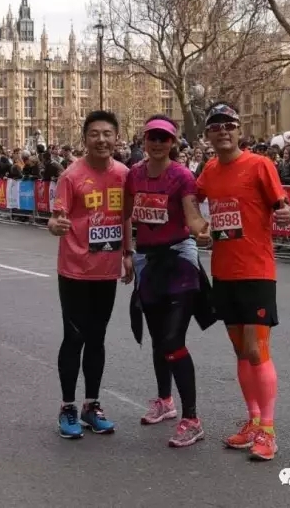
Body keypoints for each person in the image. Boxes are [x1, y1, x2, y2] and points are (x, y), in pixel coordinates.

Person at [196, 103, 290, 462]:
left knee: (256, 351)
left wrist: (286, 212)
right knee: (240, 351)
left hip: (256, 270)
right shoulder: (209, 169)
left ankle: (268, 430)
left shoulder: (259, 165)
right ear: (208, 135)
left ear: (239, 130)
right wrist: (198, 225)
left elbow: (284, 206)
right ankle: (253, 421)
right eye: (216, 126)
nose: (223, 131)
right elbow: (191, 198)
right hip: (223, 271)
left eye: (230, 125)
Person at [124, 115, 211, 448]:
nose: (158, 143)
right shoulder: (133, 175)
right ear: (144, 140)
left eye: (164, 138)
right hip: (147, 261)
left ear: (173, 142)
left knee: (173, 339)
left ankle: (192, 419)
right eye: (153, 137)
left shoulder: (182, 176)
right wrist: (127, 253)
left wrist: (201, 230)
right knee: (159, 338)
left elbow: (192, 215)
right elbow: (126, 214)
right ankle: (165, 401)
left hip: (178, 260)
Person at [48, 110, 133, 440]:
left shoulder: (124, 174)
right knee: (74, 338)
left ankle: (91, 405)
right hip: (74, 270)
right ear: (85, 138)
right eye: (95, 134)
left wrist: (128, 253)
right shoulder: (71, 176)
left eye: (107, 134)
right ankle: (68, 406)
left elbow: (125, 217)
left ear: (116, 138)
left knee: (97, 338)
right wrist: (55, 226)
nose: (101, 139)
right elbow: (56, 217)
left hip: (106, 272)